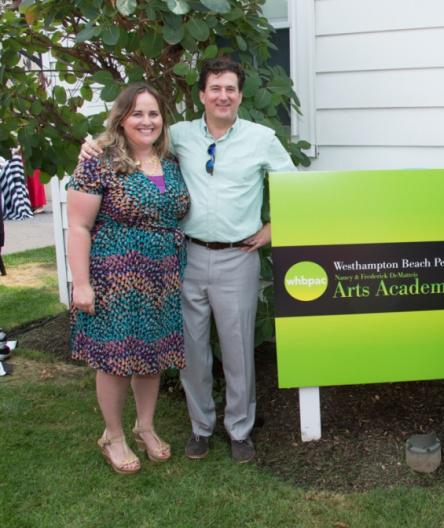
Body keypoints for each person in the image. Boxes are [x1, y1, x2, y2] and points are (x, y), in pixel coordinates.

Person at [82, 57, 297, 463]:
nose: (223, 95)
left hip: (239, 257)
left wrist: (273, 229)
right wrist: (91, 144)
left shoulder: (262, 138)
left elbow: (296, 188)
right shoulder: (177, 134)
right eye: (215, 88)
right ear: (201, 94)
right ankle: (201, 426)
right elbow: (129, 143)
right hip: (185, 257)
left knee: (238, 351)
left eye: (230, 88)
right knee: (191, 350)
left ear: (240, 95)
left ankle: (239, 430)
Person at [68, 83, 190, 474]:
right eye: (138, 113)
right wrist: (81, 283)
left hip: (163, 277)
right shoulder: (98, 160)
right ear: (121, 118)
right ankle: (113, 435)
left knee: (152, 357)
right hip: (115, 276)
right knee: (117, 359)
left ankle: (146, 427)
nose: (147, 120)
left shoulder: (170, 163)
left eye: (153, 113)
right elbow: (78, 227)